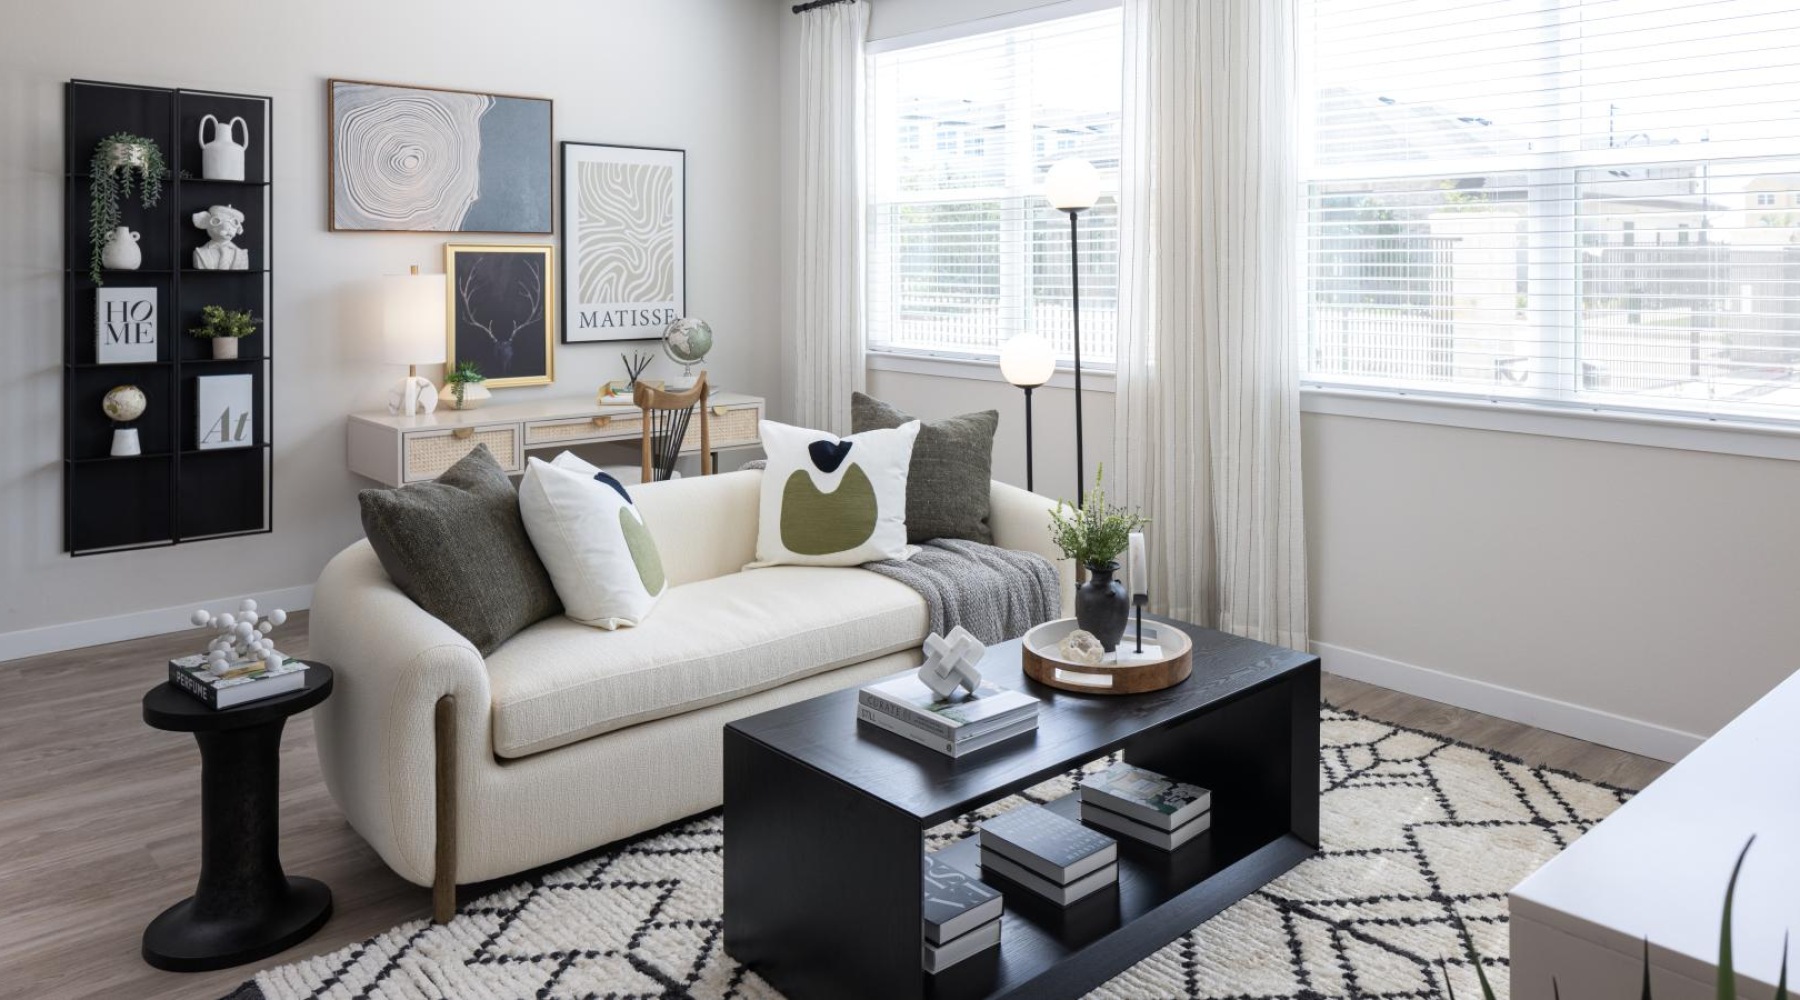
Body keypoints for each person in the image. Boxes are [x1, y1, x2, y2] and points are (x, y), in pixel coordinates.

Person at [191, 205, 249, 270]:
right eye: (216, 221)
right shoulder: (199, 253)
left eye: (234, 222)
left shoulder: (242, 254)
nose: (228, 228)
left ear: (238, 228)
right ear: (205, 222)